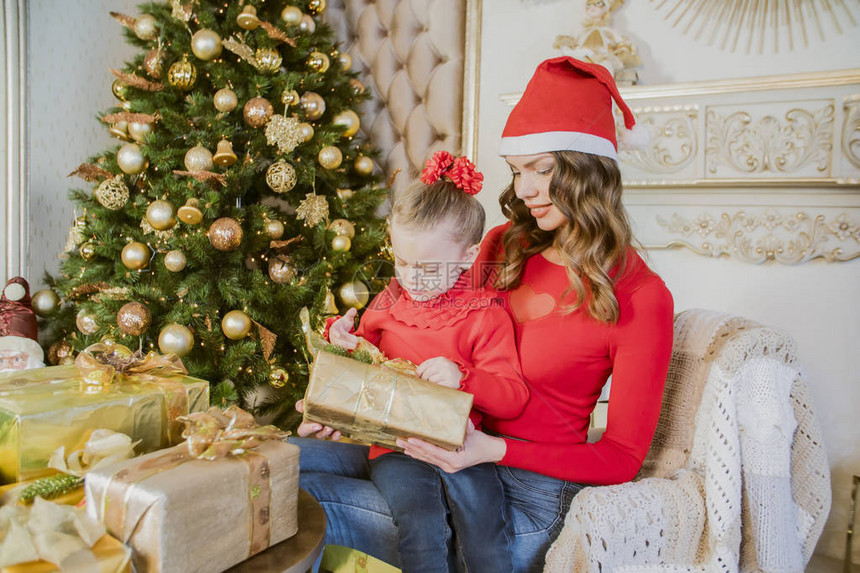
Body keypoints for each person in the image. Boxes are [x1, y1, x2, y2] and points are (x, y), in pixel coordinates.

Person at [293, 56, 673, 573]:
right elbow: (420, 320)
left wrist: (491, 449)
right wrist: (355, 403)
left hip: (519, 491)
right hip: (432, 438)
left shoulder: (640, 295)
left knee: (304, 496)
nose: (523, 190)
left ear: (590, 170)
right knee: (279, 458)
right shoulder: (504, 246)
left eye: (542, 170)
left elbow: (621, 458)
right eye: (519, 171)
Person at [311, 151, 529, 573]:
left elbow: (513, 398)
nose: (411, 278)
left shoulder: (485, 315)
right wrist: (341, 338)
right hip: (394, 446)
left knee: (485, 527)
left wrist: (461, 376)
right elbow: (360, 359)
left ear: (467, 257)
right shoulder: (391, 300)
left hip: (462, 444)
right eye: (402, 262)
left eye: (427, 268)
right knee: (422, 525)